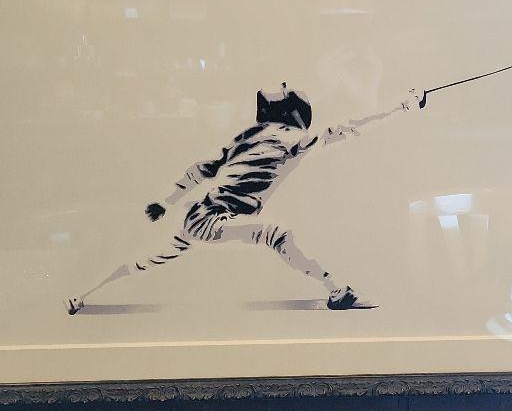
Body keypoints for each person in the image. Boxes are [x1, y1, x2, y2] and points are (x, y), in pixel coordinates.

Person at [67, 83, 423, 315]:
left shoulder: (246, 136)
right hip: (214, 218)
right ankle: (338, 293)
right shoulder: (287, 137)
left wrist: (167, 201)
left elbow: (201, 169)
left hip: (197, 213)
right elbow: (346, 128)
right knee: (276, 234)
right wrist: (401, 106)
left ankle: (82, 295)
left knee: (148, 259)